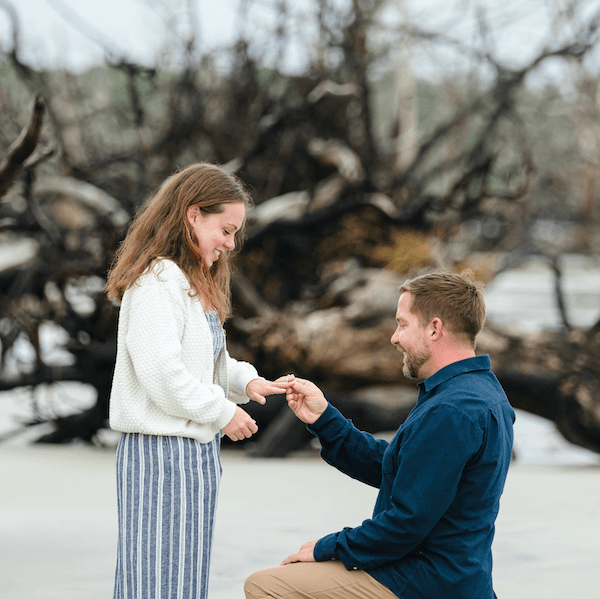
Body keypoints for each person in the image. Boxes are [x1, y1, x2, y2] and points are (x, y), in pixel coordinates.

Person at [245, 271, 515, 599]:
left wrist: (327, 547)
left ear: (434, 328)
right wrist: (324, 419)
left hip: (426, 581)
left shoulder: (453, 410)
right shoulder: (478, 391)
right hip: (449, 574)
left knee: (267, 586)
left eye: (402, 324)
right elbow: (400, 469)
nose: (394, 338)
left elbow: (406, 524)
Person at [105, 162, 290, 599]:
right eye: (225, 230)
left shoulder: (190, 281)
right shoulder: (157, 282)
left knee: (182, 582)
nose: (229, 244)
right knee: (154, 582)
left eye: (234, 235)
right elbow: (162, 375)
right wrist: (223, 412)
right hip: (159, 457)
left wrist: (247, 383)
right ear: (193, 215)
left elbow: (205, 360)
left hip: (193, 456)